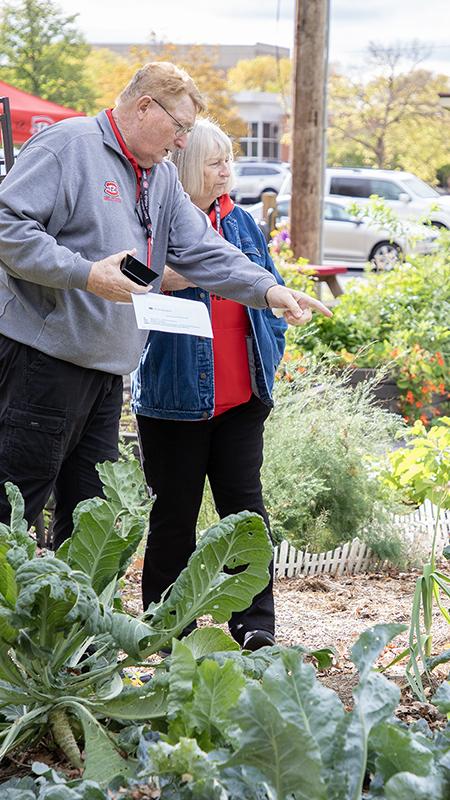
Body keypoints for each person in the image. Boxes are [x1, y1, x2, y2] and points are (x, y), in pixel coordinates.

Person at [0, 61, 330, 550]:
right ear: (144, 107)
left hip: (107, 373)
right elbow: (7, 226)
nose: (182, 142)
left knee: (88, 520)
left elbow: (202, 249)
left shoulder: (159, 177)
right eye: (179, 127)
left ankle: (61, 628)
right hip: (43, 365)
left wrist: (269, 290)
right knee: (15, 509)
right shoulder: (69, 146)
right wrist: (86, 274)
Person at [132, 119, 291, 650]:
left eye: (229, 160)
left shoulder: (243, 222)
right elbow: (128, 286)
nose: (227, 171)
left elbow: (271, 294)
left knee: (245, 515)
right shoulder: (152, 222)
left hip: (240, 400)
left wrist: (268, 355)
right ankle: (170, 628)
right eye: (214, 161)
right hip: (173, 403)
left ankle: (255, 625)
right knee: (174, 516)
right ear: (183, 166)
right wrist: (180, 273)